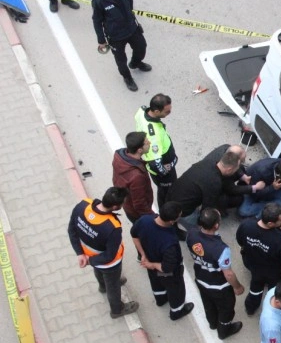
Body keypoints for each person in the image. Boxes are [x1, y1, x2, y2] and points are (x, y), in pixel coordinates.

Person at [67, 187, 138, 318]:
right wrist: (90, 261)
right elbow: (109, 255)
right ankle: (117, 309)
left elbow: (71, 230)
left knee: (99, 271)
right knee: (113, 285)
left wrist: (81, 254)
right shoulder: (113, 227)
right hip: (109, 264)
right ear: (116, 207)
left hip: (90, 256)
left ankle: (102, 286)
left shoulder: (83, 205)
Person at [168, 149, 263, 230]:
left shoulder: (208, 162)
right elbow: (207, 209)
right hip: (184, 211)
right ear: (229, 169)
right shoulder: (214, 182)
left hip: (173, 194)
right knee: (196, 229)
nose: (237, 171)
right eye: (236, 169)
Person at [186, 208, 244, 339]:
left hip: (201, 279)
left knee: (208, 304)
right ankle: (224, 330)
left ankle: (212, 323)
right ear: (216, 225)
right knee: (226, 309)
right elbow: (228, 274)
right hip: (219, 287)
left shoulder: (191, 233)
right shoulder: (221, 249)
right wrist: (237, 287)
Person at [131, 202, 194, 321]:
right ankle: (177, 311)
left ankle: (160, 300)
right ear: (171, 221)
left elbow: (134, 235)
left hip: (151, 263)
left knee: (156, 283)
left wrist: (143, 255)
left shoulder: (144, 220)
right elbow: (167, 268)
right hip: (165, 271)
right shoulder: (170, 242)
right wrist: (152, 265)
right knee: (176, 290)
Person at [92, 0, 150, 91]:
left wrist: (130, 14)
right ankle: (127, 77)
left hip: (132, 28)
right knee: (121, 60)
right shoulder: (99, 0)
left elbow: (130, 1)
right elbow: (97, 21)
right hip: (115, 36)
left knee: (142, 47)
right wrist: (101, 40)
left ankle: (135, 63)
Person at [236, 203, 281, 316]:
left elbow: (240, 240)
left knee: (255, 289)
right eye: (280, 220)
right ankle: (272, 311)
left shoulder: (246, 225)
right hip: (271, 272)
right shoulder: (280, 241)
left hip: (252, 264)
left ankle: (250, 308)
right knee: (273, 292)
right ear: (271, 223)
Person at [135, 94, 177, 208]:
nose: (169, 113)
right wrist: (166, 170)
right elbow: (154, 164)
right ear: (157, 111)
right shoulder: (153, 136)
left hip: (162, 160)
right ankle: (166, 213)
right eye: (167, 112)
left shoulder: (142, 111)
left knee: (166, 190)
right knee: (166, 192)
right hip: (163, 172)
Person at [111, 131, 153, 225]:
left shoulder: (120, 157)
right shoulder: (137, 176)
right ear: (139, 150)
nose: (150, 143)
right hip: (137, 214)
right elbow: (139, 204)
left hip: (127, 205)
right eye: (146, 143)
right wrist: (152, 216)